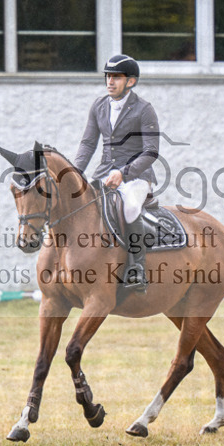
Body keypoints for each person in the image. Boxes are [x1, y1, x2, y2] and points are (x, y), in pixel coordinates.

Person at [74, 54, 160, 292]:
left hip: (137, 177)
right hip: (102, 173)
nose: (109, 82)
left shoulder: (144, 110)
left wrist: (124, 173)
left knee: (130, 207)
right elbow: (88, 143)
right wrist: (74, 173)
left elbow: (151, 152)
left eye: (116, 77)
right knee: (78, 206)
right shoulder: (99, 106)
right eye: (108, 77)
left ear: (130, 82)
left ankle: (137, 267)